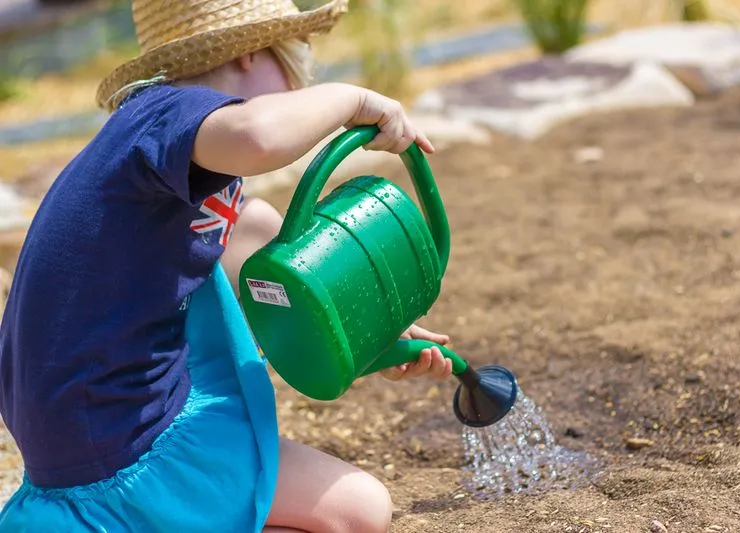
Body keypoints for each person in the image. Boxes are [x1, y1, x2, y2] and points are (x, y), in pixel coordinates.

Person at [0, 1, 455, 532]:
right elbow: (258, 137)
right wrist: (352, 99)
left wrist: (366, 335)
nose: (298, 97)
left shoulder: (159, 160)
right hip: (120, 438)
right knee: (359, 511)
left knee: (252, 222)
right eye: (298, 76)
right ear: (252, 55)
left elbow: (262, 260)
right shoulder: (164, 111)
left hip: (78, 434)